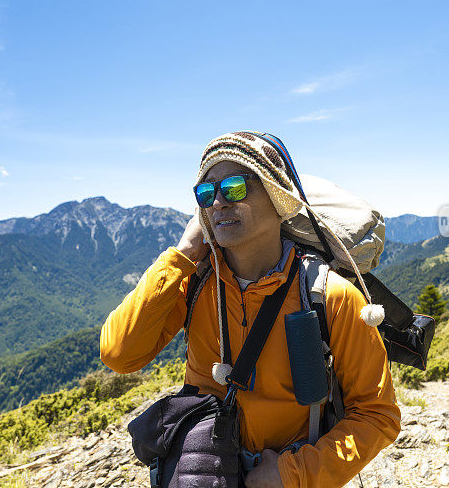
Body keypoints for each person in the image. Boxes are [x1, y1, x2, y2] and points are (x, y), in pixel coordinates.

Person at [100, 132, 401, 487]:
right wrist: (183, 253)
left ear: (277, 197)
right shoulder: (193, 285)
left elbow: (377, 415)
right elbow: (119, 354)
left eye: (236, 187)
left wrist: (293, 474)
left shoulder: (331, 297)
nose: (219, 202)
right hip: (204, 469)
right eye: (207, 193)